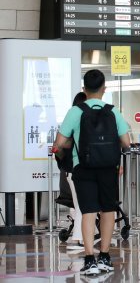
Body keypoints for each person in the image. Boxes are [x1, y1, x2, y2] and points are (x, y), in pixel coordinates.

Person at [53, 70, 131, 275]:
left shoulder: (76, 112)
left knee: (88, 211)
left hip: (83, 168)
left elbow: (60, 143)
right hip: (108, 168)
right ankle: (105, 256)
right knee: (108, 210)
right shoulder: (113, 111)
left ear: (84, 89)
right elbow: (126, 142)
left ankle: (89, 259)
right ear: (104, 89)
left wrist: (71, 143)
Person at [57, 92, 87, 251]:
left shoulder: (70, 122)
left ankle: (85, 236)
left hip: (70, 171)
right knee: (83, 206)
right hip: (79, 171)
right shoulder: (83, 122)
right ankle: (77, 239)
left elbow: (58, 148)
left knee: (80, 205)